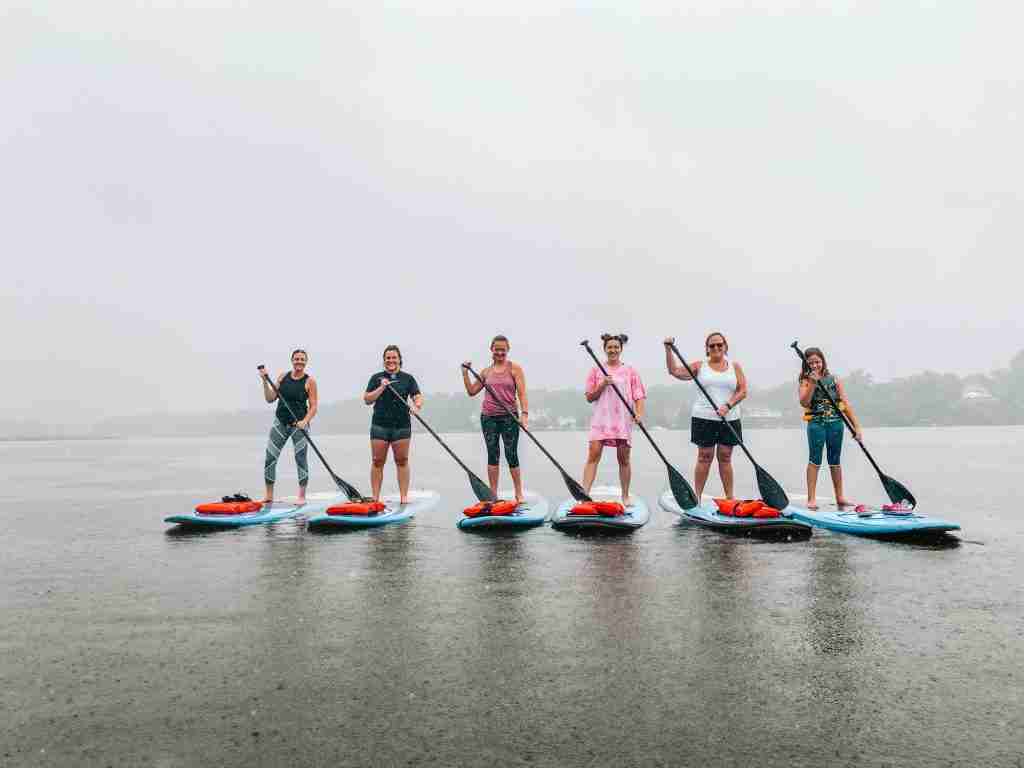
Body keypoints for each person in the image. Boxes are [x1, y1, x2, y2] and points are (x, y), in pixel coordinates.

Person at [664, 332, 747, 500]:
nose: (716, 348)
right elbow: (674, 371)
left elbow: (743, 391)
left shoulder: (734, 366)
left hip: (729, 417)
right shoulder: (699, 366)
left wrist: (728, 405)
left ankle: (730, 498)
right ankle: (697, 497)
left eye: (719, 345)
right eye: (712, 346)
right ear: (707, 349)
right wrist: (668, 350)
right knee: (704, 457)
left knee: (725, 457)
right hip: (704, 418)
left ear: (725, 347)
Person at [461, 335, 529, 503]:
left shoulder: (515, 369)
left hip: (509, 416)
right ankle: (493, 495)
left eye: (503, 349)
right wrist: (465, 374)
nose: (499, 352)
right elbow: (471, 391)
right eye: (496, 349)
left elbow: (521, 393)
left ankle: (519, 493)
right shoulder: (486, 372)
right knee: (493, 455)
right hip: (489, 417)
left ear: (507, 350)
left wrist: (524, 414)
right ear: (491, 350)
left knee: (511, 454)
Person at [582, 334, 646, 506]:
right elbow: (589, 397)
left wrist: (639, 413)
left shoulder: (630, 370)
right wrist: (602, 384)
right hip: (601, 419)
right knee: (593, 455)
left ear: (621, 349)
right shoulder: (596, 370)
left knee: (624, 459)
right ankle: (584, 494)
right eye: (609, 347)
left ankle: (625, 496)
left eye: (616, 347)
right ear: (605, 349)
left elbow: (639, 395)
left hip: (622, 420)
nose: (613, 350)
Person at [798, 346, 863, 509]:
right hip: (816, 424)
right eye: (811, 363)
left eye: (817, 362)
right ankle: (811, 498)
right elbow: (804, 402)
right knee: (815, 460)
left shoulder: (834, 379)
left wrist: (857, 427)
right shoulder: (805, 381)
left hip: (836, 424)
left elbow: (845, 404)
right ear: (806, 364)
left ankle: (840, 496)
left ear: (823, 362)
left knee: (835, 460)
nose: (815, 365)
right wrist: (813, 383)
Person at [364, 345, 423, 504]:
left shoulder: (408, 378)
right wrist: (382, 387)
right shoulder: (376, 378)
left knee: (402, 460)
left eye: (394, 357)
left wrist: (416, 406)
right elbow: (367, 399)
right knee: (377, 461)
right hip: (380, 425)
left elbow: (417, 396)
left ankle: (404, 497)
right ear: (384, 361)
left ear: (399, 360)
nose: (391, 360)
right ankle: (375, 497)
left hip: (401, 426)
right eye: (388, 358)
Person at [260, 349, 318, 504]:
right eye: (296, 359)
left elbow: (313, 407)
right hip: (280, 423)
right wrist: (265, 381)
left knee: (300, 459)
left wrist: (304, 421)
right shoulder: (283, 377)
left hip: (298, 425)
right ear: (292, 360)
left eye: (302, 359)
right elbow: (270, 398)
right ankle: (269, 495)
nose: (299, 361)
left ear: (306, 362)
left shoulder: (309, 381)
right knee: (270, 458)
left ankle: (301, 496)